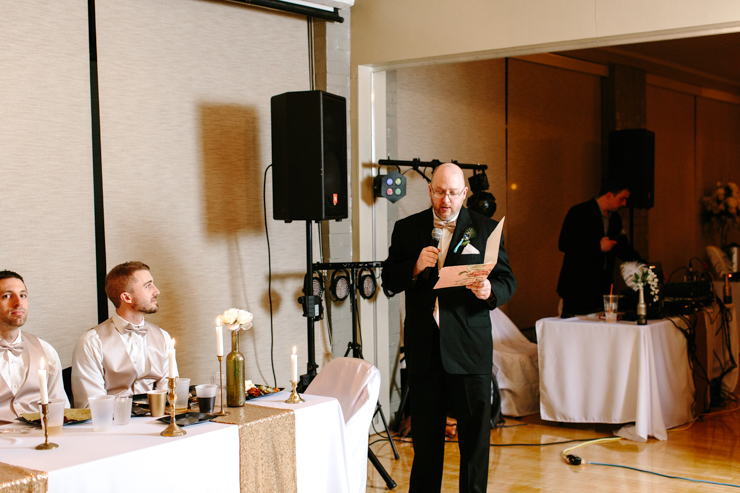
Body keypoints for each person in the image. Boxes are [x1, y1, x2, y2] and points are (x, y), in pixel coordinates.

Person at [382, 163, 516, 493]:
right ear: (430, 191)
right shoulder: (407, 229)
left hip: (469, 349)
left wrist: (490, 292)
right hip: (424, 350)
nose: (446, 200)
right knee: (426, 444)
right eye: (440, 192)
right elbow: (387, 279)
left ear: (464, 193)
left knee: (474, 443)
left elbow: (507, 280)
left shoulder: (484, 229)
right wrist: (414, 266)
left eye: (453, 193)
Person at [71, 261, 173, 408]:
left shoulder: (163, 337)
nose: (157, 291)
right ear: (126, 297)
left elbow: (170, 391)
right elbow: (90, 406)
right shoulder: (91, 342)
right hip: (114, 426)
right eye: (148, 285)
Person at [557, 176, 642, 317]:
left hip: (602, 286)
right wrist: (597, 246)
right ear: (609, 195)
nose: (624, 203)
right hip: (577, 286)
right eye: (622, 198)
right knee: (575, 328)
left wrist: (646, 268)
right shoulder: (579, 212)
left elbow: (624, 249)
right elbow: (564, 244)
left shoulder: (615, 219)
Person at [0, 271, 68, 421]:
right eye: (7, 296)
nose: (18, 302)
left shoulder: (46, 351)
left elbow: (61, 409)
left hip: (39, 438)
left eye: (23, 295)